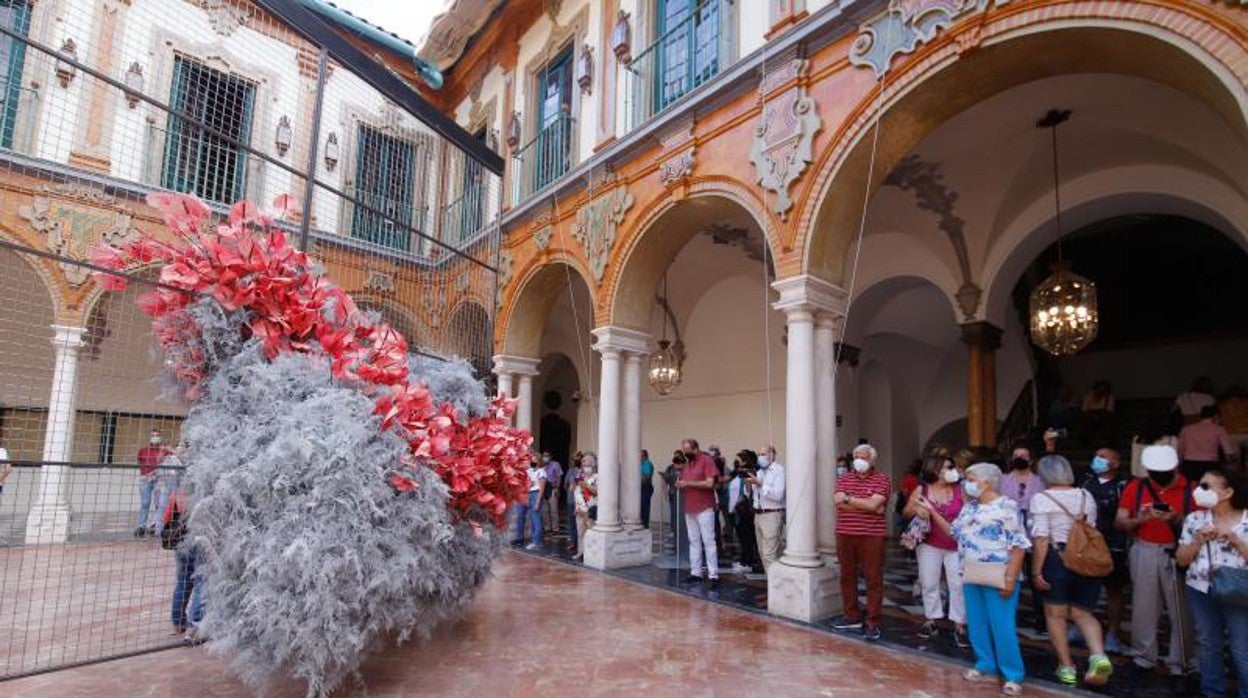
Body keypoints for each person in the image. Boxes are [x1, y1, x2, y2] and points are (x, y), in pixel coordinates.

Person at [1030, 454, 1114, 687]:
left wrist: (1036, 571)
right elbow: (1091, 528)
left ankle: (1066, 666)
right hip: (1086, 558)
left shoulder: (1042, 498)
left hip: (1056, 559)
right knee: (1083, 614)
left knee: (1055, 616)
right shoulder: (1086, 495)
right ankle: (1098, 655)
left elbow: (1041, 539)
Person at [1115, 444, 1196, 675]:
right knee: (1143, 606)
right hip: (1145, 548)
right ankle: (1143, 656)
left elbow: (1200, 526)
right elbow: (1120, 522)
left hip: (1178, 550)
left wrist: (1175, 519)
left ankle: (1180, 660)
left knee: (1181, 609)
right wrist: (1140, 519)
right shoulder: (1136, 487)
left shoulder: (1191, 489)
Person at [952, 462, 1031, 697]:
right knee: (977, 622)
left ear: (986, 482)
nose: (967, 483)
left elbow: (1018, 545)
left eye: (971, 478)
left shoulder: (1008, 506)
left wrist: (1010, 577)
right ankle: (984, 662)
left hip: (999, 573)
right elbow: (954, 531)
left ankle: (1013, 674)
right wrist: (931, 513)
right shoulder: (969, 507)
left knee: (1002, 626)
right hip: (972, 571)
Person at [1176, 467, 1248, 698]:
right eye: (1200, 485)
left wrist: (1236, 540)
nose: (1199, 490)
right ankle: (1212, 691)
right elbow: (1181, 559)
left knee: (1241, 647)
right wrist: (1198, 541)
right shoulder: (1194, 519)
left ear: (1227, 492)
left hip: (1238, 589)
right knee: (1208, 641)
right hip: (1200, 588)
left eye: (1207, 486)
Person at [905, 451, 968, 647]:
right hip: (929, 543)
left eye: (952, 467)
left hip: (956, 544)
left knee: (957, 584)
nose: (951, 471)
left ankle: (959, 624)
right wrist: (916, 509)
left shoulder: (961, 490)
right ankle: (931, 619)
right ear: (935, 470)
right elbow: (906, 512)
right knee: (929, 581)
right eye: (947, 467)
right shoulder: (922, 490)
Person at [831, 443, 891, 641]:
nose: (859, 460)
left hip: (871, 536)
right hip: (845, 533)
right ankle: (852, 616)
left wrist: (849, 500)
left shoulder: (882, 479)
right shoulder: (844, 478)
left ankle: (873, 621)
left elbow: (876, 505)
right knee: (846, 576)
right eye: (856, 456)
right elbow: (839, 502)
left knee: (873, 578)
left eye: (864, 456)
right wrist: (866, 505)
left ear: (872, 459)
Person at [1081, 447, 1130, 654]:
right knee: (1083, 587)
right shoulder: (1085, 482)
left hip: (1113, 545)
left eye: (1103, 457)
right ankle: (1080, 626)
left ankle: (1112, 633)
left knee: (1114, 590)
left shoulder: (1122, 486)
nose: (1097, 459)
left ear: (1116, 463)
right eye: (1096, 455)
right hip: (1085, 544)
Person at [1000, 444, 1047, 635]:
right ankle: (1007, 616)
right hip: (1009, 536)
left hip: (1033, 535)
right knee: (1009, 576)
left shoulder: (1039, 481)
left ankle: (1041, 620)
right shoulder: (1003, 480)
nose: (1020, 457)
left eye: (1024, 455)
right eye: (1016, 455)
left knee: (1037, 578)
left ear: (1031, 460)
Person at [677, 438, 720, 588]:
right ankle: (696, 573)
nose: (685, 454)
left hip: (704, 507)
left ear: (696, 449)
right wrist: (681, 484)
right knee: (693, 541)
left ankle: (713, 575)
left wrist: (689, 483)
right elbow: (684, 480)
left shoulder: (706, 460)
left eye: (687, 451)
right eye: (684, 451)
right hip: (690, 507)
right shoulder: (688, 464)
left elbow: (710, 483)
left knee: (708, 541)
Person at [164, 484, 204, 640]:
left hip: (179, 542)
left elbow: (166, 517)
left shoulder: (178, 491)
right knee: (201, 580)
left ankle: (178, 622)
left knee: (183, 581)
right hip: (198, 540)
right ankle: (196, 625)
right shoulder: (202, 491)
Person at [746, 445, 785, 574]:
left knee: (769, 555)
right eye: (759, 454)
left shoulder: (779, 471)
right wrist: (750, 486)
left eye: (763, 454)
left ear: (772, 455)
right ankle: (775, 585)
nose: (760, 457)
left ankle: (774, 590)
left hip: (771, 515)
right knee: (763, 553)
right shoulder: (761, 471)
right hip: (758, 514)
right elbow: (756, 495)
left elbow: (778, 496)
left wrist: (760, 484)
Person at [1179, 405, 1236, 483]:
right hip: (1210, 466)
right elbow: (1229, 452)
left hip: (1189, 465)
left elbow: (1180, 450)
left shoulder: (1186, 429)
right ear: (1216, 416)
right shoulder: (1219, 429)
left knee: (1191, 489)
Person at [136, 430, 174, 538]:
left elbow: (175, 456)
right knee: (145, 503)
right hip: (145, 480)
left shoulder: (164, 451)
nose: (155, 438)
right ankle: (141, 525)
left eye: (157, 436)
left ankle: (155, 524)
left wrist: (167, 448)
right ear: (150, 437)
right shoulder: (143, 450)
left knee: (159, 504)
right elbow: (140, 462)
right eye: (153, 436)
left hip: (159, 481)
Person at [728, 450, 761, 574]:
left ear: (745, 460)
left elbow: (747, 492)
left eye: (738, 460)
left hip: (744, 511)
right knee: (741, 537)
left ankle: (747, 562)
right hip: (736, 511)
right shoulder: (738, 474)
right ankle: (745, 559)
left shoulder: (750, 473)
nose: (736, 462)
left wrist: (738, 503)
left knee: (747, 538)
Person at [513, 453, 546, 550]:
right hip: (525, 493)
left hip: (535, 494)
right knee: (520, 515)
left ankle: (536, 541)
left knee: (535, 518)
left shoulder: (542, 472)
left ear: (539, 461)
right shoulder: (528, 470)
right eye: (532, 459)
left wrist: (537, 501)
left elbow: (541, 488)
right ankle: (520, 538)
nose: (533, 461)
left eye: (535, 460)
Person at [572, 454, 598, 561]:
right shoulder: (580, 477)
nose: (584, 464)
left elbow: (597, 491)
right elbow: (576, 492)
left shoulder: (597, 477)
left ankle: (591, 553)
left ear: (593, 464)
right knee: (580, 532)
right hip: (580, 508)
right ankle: (580, 552)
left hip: (591, 509)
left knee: (590, 531)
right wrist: (576, 506)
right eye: (583, 462)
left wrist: (586, 485)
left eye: (587, 462)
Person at [1080, 380, 1116, 446]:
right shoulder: (1088, 396)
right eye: (1099, 390)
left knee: (1109, 420)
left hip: (1104, 415)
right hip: (1089, 414)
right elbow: (1084, 410)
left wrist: (1100, 416)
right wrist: (1092, 415)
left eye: (1103, 390)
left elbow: (1109, 410)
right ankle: (1086, 440)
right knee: (1084, 421)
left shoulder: (1109, 397)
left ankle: (1104, 439)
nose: (1100, 392)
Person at [1220, 386, 1248, 464]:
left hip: (1231, 433)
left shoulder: (1223, 405)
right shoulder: (1246, 403)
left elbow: (1220, 420)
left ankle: (1235, 475)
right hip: (1247, 432)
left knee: (1233, 460)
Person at [540, 452, 563, 536]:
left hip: (553, 488)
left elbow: (559, 476)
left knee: (554, 510)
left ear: (550, 456)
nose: (545, 457)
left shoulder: (555, 464)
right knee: (544, 510)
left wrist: (557, 488)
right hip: (543, 488)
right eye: (544, 456)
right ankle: (547, 528)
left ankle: (555, 528)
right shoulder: (540, 465)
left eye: (547, 456)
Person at [564, 453, 582, 552]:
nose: (576, 460)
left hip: (581, 501)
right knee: (571, 521)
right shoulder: (570, 471)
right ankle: (572, 540)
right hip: (571, 499)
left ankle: (580, 542)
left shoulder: (584, 472)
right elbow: (565, 485)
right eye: (575, 459)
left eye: (578, 458)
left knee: (580, 522)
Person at [639, 450, 655, 529]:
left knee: (644, 508)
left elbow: (646, 478)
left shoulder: (647, 464)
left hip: (646, 488)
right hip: (641, 488)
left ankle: (645, 526)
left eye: (640, 456)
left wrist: (636, 480)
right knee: (641, 508)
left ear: (644, 456)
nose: (639, 458)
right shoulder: (641, 464)